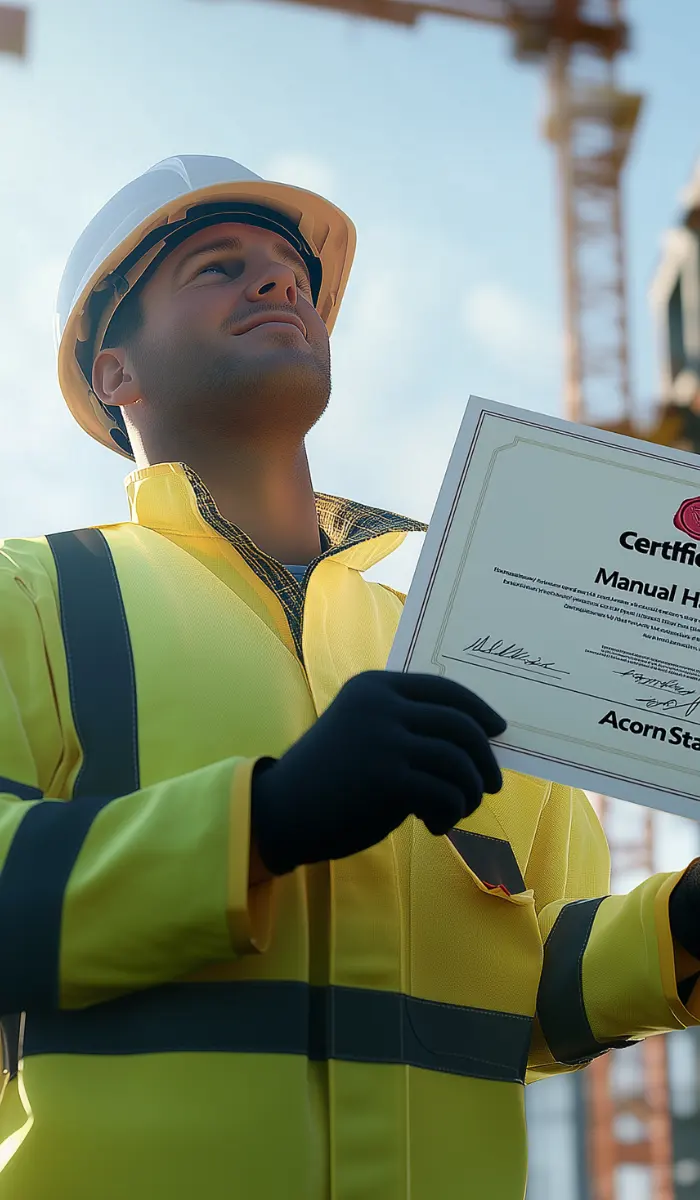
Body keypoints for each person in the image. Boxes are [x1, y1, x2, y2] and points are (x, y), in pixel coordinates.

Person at [0, 154, 699, 1200]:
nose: (281, 283)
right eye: (217, 266)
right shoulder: (35, 596)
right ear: (114, 373)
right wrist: (266, 818)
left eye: (293, 273)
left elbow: (536, 993)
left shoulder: (463, 641)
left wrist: (681, 929)